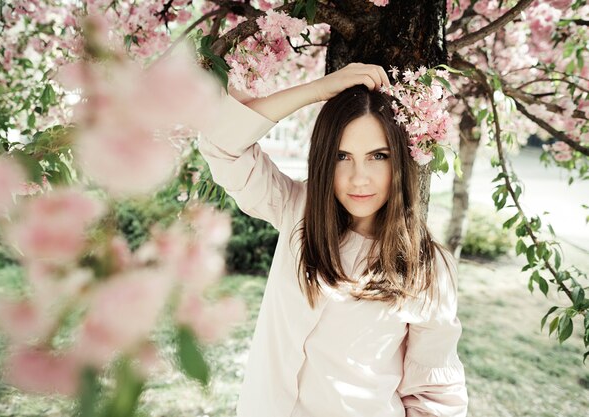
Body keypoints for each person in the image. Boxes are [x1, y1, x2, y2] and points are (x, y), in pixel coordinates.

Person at [198, 63, 469, 417]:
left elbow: (435, 395)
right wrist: (317, 90)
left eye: (378, 156)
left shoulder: (427, 266)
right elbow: (221, 143)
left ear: (400, 160)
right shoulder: (297, 210)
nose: (359, 179)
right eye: (343, 156)